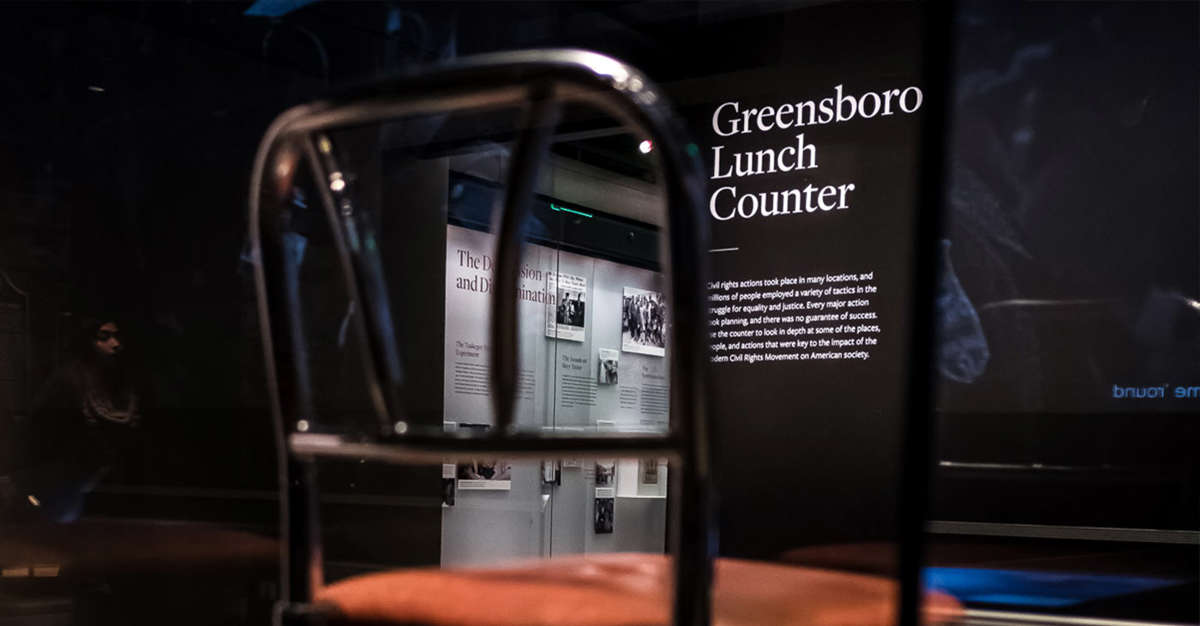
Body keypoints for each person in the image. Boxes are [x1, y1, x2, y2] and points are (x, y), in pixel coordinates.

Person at [18, 318, 142, 522]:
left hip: (94, 467)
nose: (115, 343)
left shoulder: (116, 376)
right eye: (104, 336)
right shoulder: (72, 376)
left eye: (116, 336)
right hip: (70, 466)